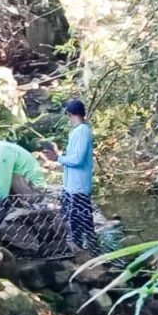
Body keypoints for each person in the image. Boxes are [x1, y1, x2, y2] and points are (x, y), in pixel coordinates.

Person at [45, 99, 98, 252]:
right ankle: (84, 251)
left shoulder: (82, 131)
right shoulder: (78, 131)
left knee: (81, 223)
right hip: (72, 187)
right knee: (75, 222)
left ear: (69, 114)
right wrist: (59, 159)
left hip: (78, 187)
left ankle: (87, 252)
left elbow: (77, 159)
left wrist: (58, 158)